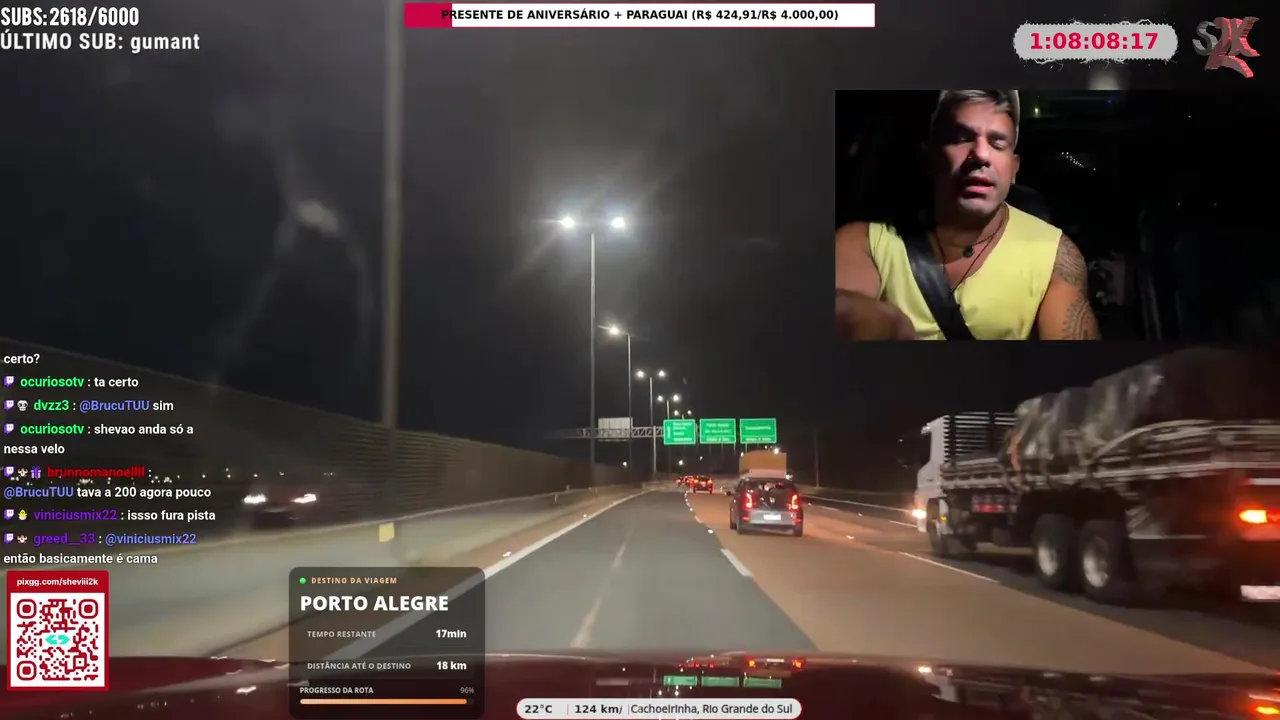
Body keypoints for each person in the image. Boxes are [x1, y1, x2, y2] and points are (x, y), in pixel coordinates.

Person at [835, 90, 1101, 341]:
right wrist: (887, 324)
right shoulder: (864, 242)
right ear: (930, 158)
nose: (981, 155)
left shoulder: (1054, 255)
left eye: (997, 143)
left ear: (1014, 170)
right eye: (961, 138)